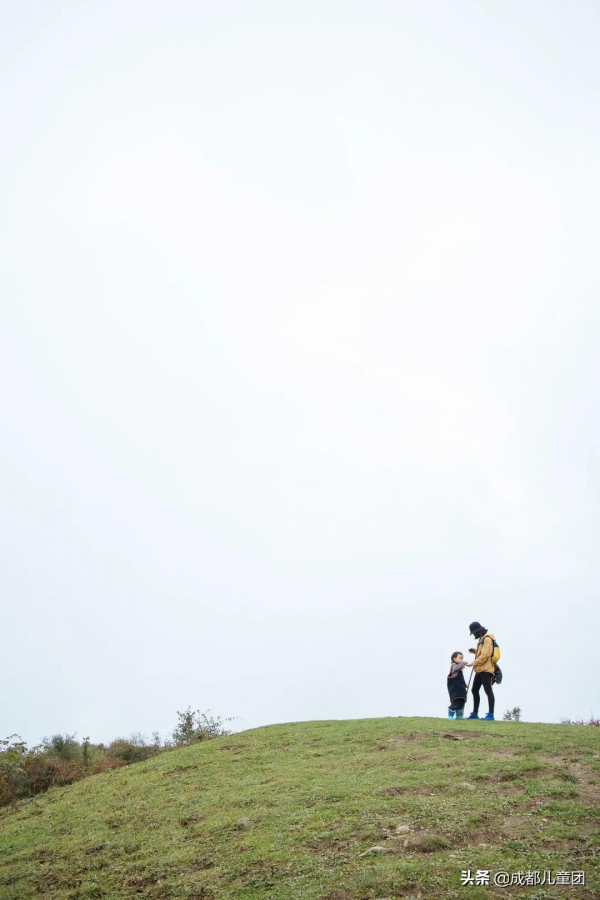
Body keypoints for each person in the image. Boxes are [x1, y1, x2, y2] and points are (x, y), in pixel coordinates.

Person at [466, 621, 496, 720]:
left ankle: (491, 714)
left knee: (488, 690)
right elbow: (482, 653)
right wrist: (474, 651)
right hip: (480, 669)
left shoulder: (487, 639)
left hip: (486, 669)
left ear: (479, 631)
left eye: (474, 633)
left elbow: (485, 655)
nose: (474, 635)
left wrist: (473, 663)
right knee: (474, 690)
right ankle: (475, 713)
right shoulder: (481, 639)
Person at [447, 651, 472, 719]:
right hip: (456, 690)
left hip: (461, 689)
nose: (461, 660)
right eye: (460, 658)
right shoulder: (454, 666)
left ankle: (459, 716)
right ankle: (450, 713)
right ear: (454, 659)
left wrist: (464, 684)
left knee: (461, 702)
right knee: (456, 702)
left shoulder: (460, 670)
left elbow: (460, 679)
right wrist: (463, 663)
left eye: (462, 658)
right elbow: (457, 668)